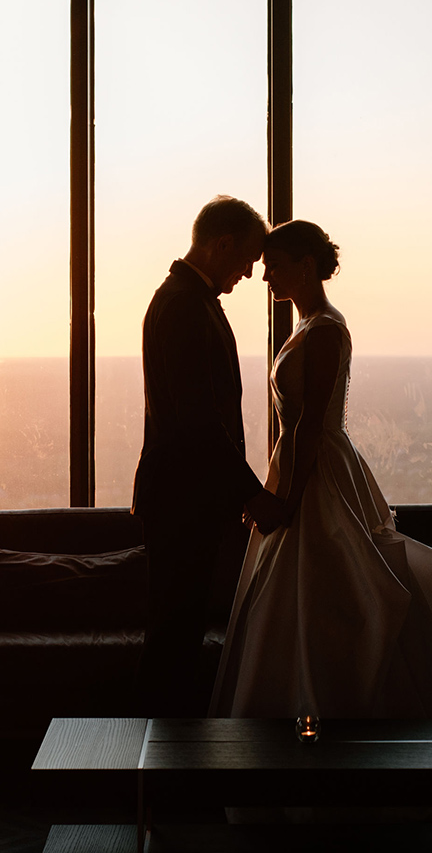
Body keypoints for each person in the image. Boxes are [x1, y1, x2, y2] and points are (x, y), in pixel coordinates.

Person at [210, 220, 432, 719]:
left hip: (318, 470)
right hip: (297, 464)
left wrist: (284, 502)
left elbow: (310, 423)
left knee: (325, 594)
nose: (266, 278)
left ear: (306, 267)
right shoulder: (308, 325)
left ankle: (325, 711)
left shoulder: (326, 330)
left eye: (275, 267)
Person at [134, 195, 287, 717]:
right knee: (174, 640)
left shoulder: (183, 298)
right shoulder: (183, 305)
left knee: (176, 637)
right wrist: (252, 494)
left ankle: (164, 767)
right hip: (182, 504)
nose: (249, 273)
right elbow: (200, 423)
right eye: (246, 259)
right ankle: (161, 769)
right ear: (222, 245)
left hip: (184, 499)